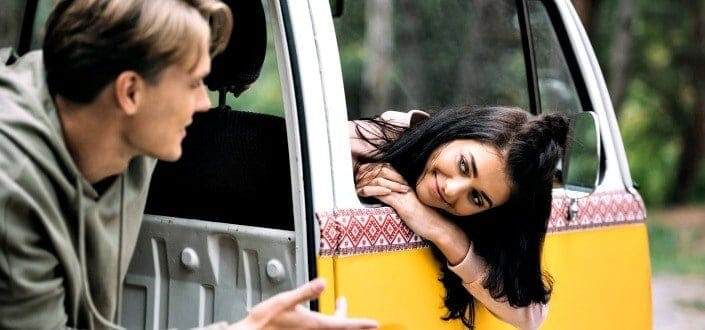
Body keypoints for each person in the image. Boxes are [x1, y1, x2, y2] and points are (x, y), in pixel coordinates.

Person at [0, 0, 378, 329]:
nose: (204, 105)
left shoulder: (114, 118)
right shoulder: (12, 188)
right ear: (130, 92)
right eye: (193, 83)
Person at [350, 106, 569, 329]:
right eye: (463, 165)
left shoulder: (477, 225)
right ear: (457, 131)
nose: (451, 190)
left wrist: (443, 233)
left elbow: (530, 316)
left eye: (476, 198)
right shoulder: (381, 136)